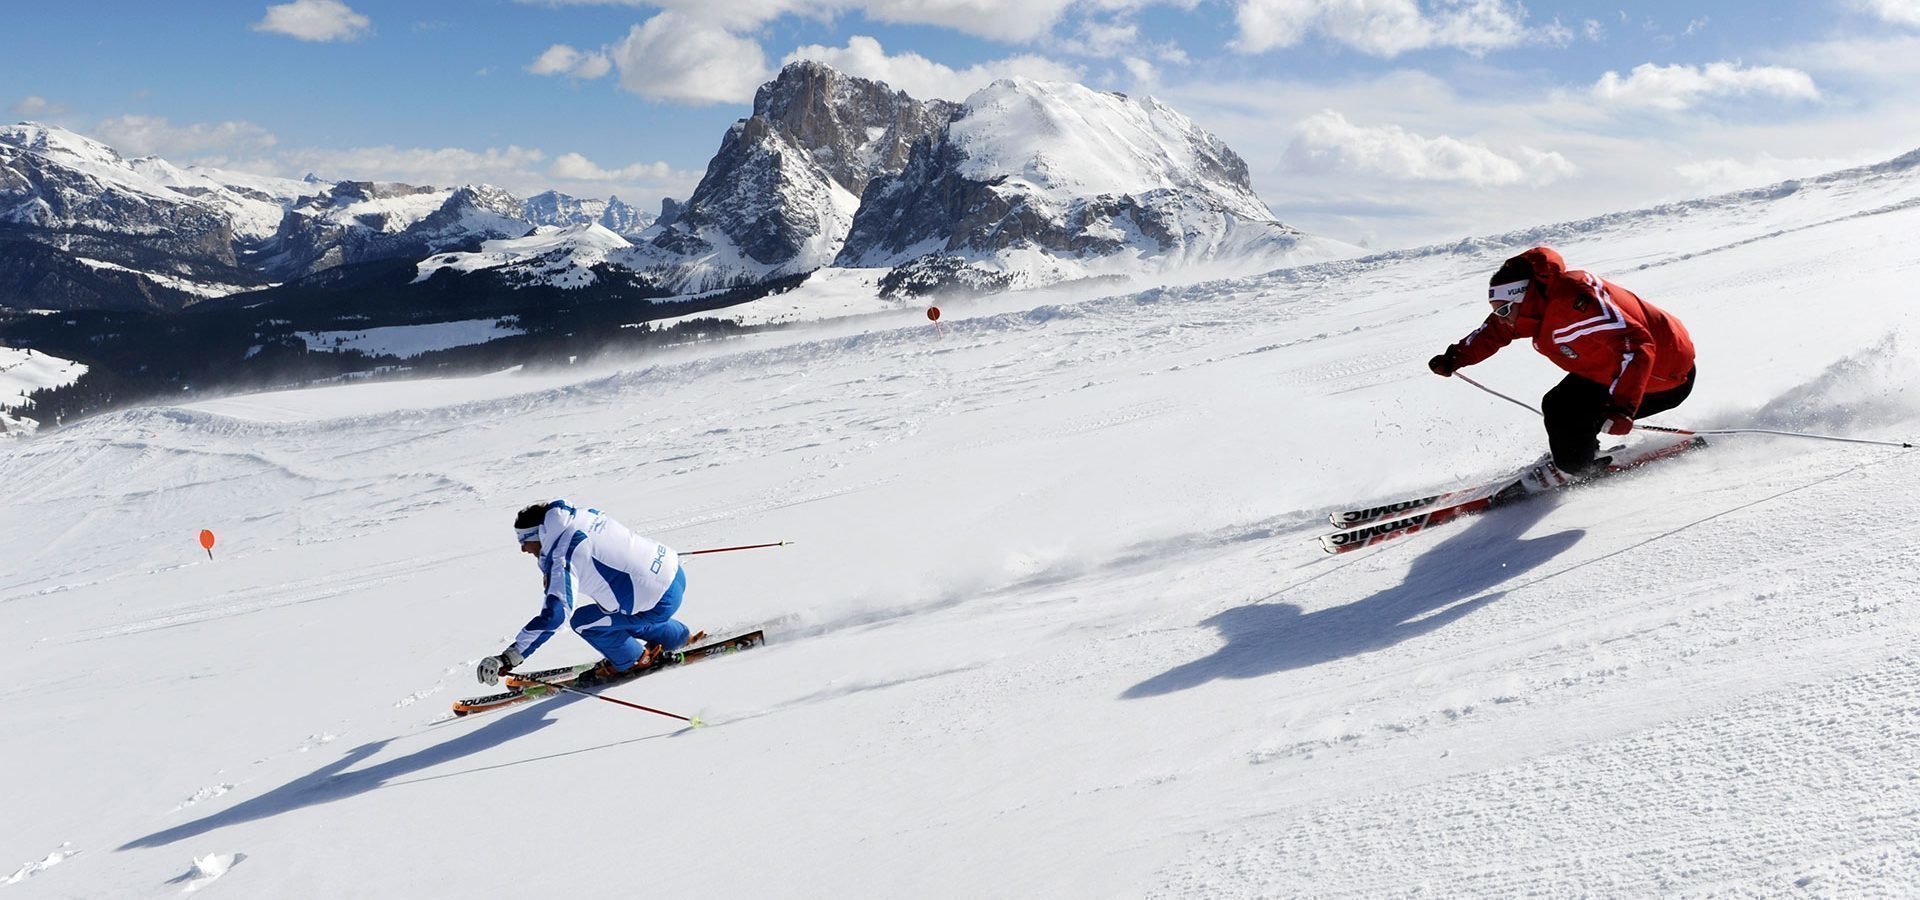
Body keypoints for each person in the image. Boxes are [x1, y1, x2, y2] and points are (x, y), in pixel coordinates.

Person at [1427, 246, 1697, 475]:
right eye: (1498, 312)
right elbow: (1494, 331)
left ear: (1526, 295)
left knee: (1568, 413)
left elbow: (1635, 345)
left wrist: (1621, 408)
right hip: (1618, 370)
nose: (1503, 318)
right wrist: (1455, 358)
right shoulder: (1539, 305)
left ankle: (1577, 469)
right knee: (1559, 406)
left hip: (1663, 376)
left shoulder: (1577, 302)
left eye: (1506, 310)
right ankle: (1576, 456)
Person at [476, 500, 696, 688]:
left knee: (584, 621)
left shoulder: (563, 555)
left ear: (541, 534)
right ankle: (675, 636)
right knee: (615, 610)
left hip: (656, 601)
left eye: (525, 541)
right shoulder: (579, 515)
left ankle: (634, 662)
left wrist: (509, 657)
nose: (524, 549)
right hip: (674, 572)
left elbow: (556, 615)